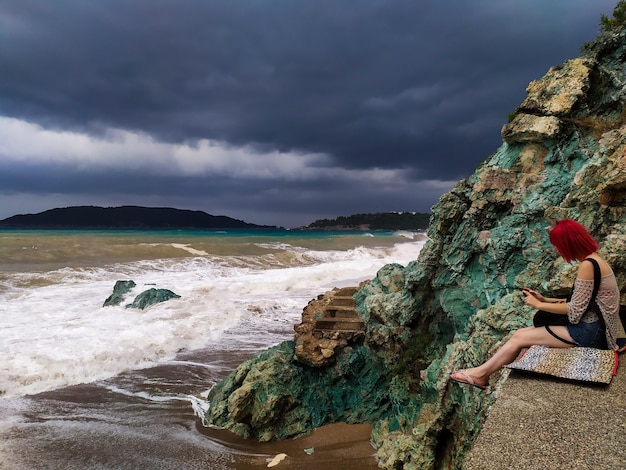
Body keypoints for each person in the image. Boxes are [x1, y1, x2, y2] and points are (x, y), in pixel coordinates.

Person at [451, 219, 621, 390]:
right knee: (520, 334)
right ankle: (481, 373)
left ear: (568, 243)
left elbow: (575, 311)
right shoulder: (596, 260)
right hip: (595, 328)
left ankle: (480, 375)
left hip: (591, 333)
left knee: (520, 338)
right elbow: (582, 303)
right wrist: (544, 299)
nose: (557, 250)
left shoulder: (587, 265)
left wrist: (537, 305)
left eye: (558, 245)